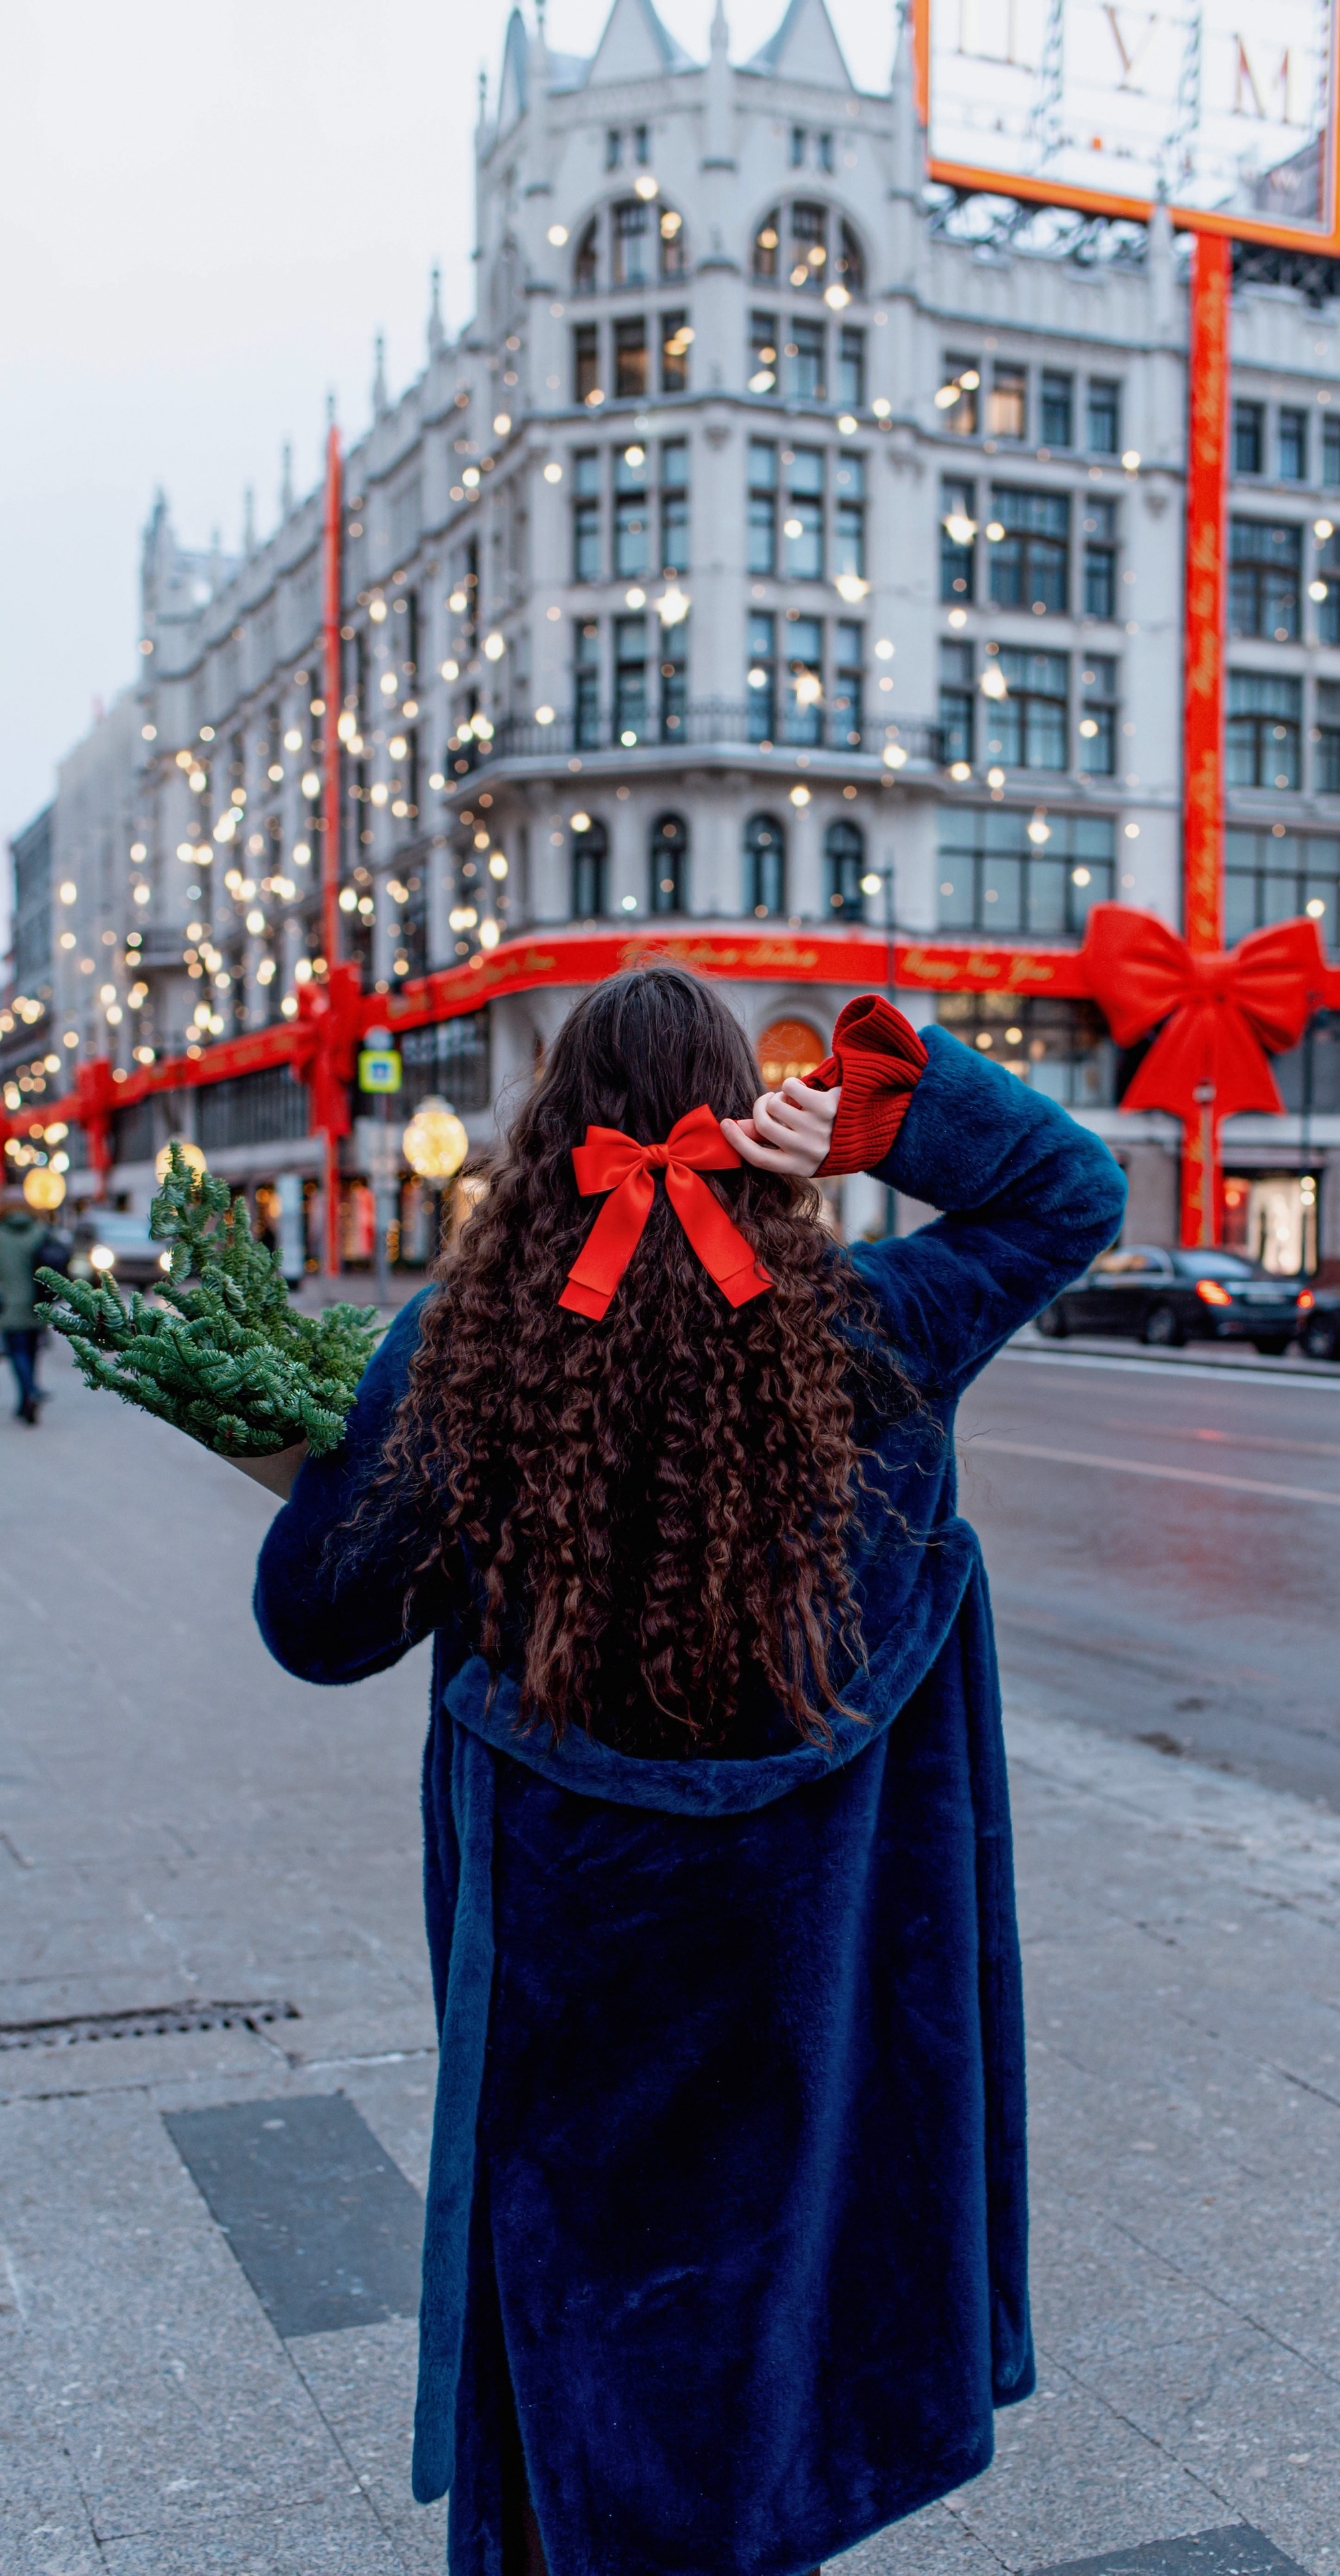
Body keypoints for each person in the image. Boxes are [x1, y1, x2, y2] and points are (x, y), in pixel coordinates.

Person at [254, 964, 1126, 2576]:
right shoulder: (868, 1331)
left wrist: (331, 1466)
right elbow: (1071, 1188)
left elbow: (317, 1623)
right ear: (741, 1122)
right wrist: (876, 1111)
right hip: (802, 1967)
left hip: (562, 1967)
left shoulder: (463, 1348)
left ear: (547, 1133)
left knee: (571, 2336)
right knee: (765, 2319)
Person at [0, 1186, 51, 1423]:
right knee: (31, 1353)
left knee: (17, 1352)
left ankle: (29, 1392)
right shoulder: (39, 1231)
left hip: (8, 1304)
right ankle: (26, 1400)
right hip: (37, 1304)